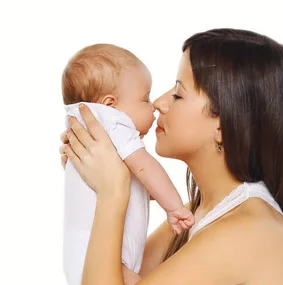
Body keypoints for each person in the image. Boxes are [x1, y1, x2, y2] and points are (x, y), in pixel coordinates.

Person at [60, 28, 283, 285]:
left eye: (177, 94)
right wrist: (91, 177)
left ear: (223, 127)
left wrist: (111, 192)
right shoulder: (199, 211)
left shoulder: (248, 231)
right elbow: (112, 273)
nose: (159, 103)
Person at [61, 44, 194, 285]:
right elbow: (145, 168)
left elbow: (137, 185)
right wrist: (174, 207)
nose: (154, 105)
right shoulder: (114, 123)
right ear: (110, 104)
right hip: (108, 255)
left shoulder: (86, 122)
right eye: (145, 98)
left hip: (80, 251)